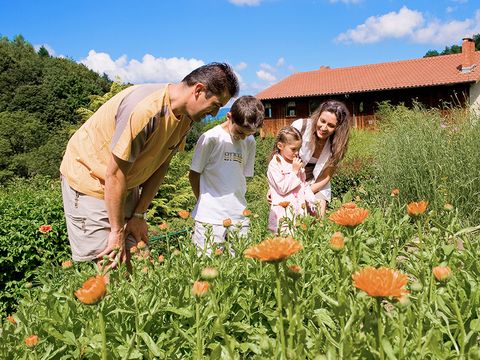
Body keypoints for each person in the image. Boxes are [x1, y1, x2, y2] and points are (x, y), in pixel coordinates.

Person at [60, 62, 239, 266]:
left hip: (123, 183)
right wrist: (117, 231)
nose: (214, 114)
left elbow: (162, 163)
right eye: (215, 105)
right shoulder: (146, 111)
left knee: (138, 260)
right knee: (110, 263)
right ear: (198, 90)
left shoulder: (186, 117)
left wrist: (139, 213)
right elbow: (114, 173)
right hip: (90, 179)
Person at [189, 95, 264, 256]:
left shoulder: (250, 141)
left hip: (239, 213)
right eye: (240, 132)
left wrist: (247, 136)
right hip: (209, 215)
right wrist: (203, 200)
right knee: (206, 263)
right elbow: (194, 174)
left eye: (248, 133)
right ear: (229, 116)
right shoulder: (210, 138)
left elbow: (241, 176)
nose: (242, 137)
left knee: (242, 263)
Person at [291, 100, 352, 216]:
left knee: (317, 217)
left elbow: (326, 176)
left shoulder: (338, 145)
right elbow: (280, 157)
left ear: (338, 128)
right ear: (317, 116)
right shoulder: (300, 127)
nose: (323, 128)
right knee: (290, 219)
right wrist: (275, 187)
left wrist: (306, 193)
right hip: (291, 180)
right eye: (322, 121)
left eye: (331, 125)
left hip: (316, 183)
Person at [267, 126, 316, 234]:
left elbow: (303, 185)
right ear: (280, 146)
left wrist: (311, 202)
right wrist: (294, 172)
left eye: (299, 149)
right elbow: (282, 188)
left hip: (298, 210)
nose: (297, 153)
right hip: (283, 213)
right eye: (293, 149)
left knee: (299, 241)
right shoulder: (275, 164)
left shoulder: (296, 162)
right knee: (283, 242)